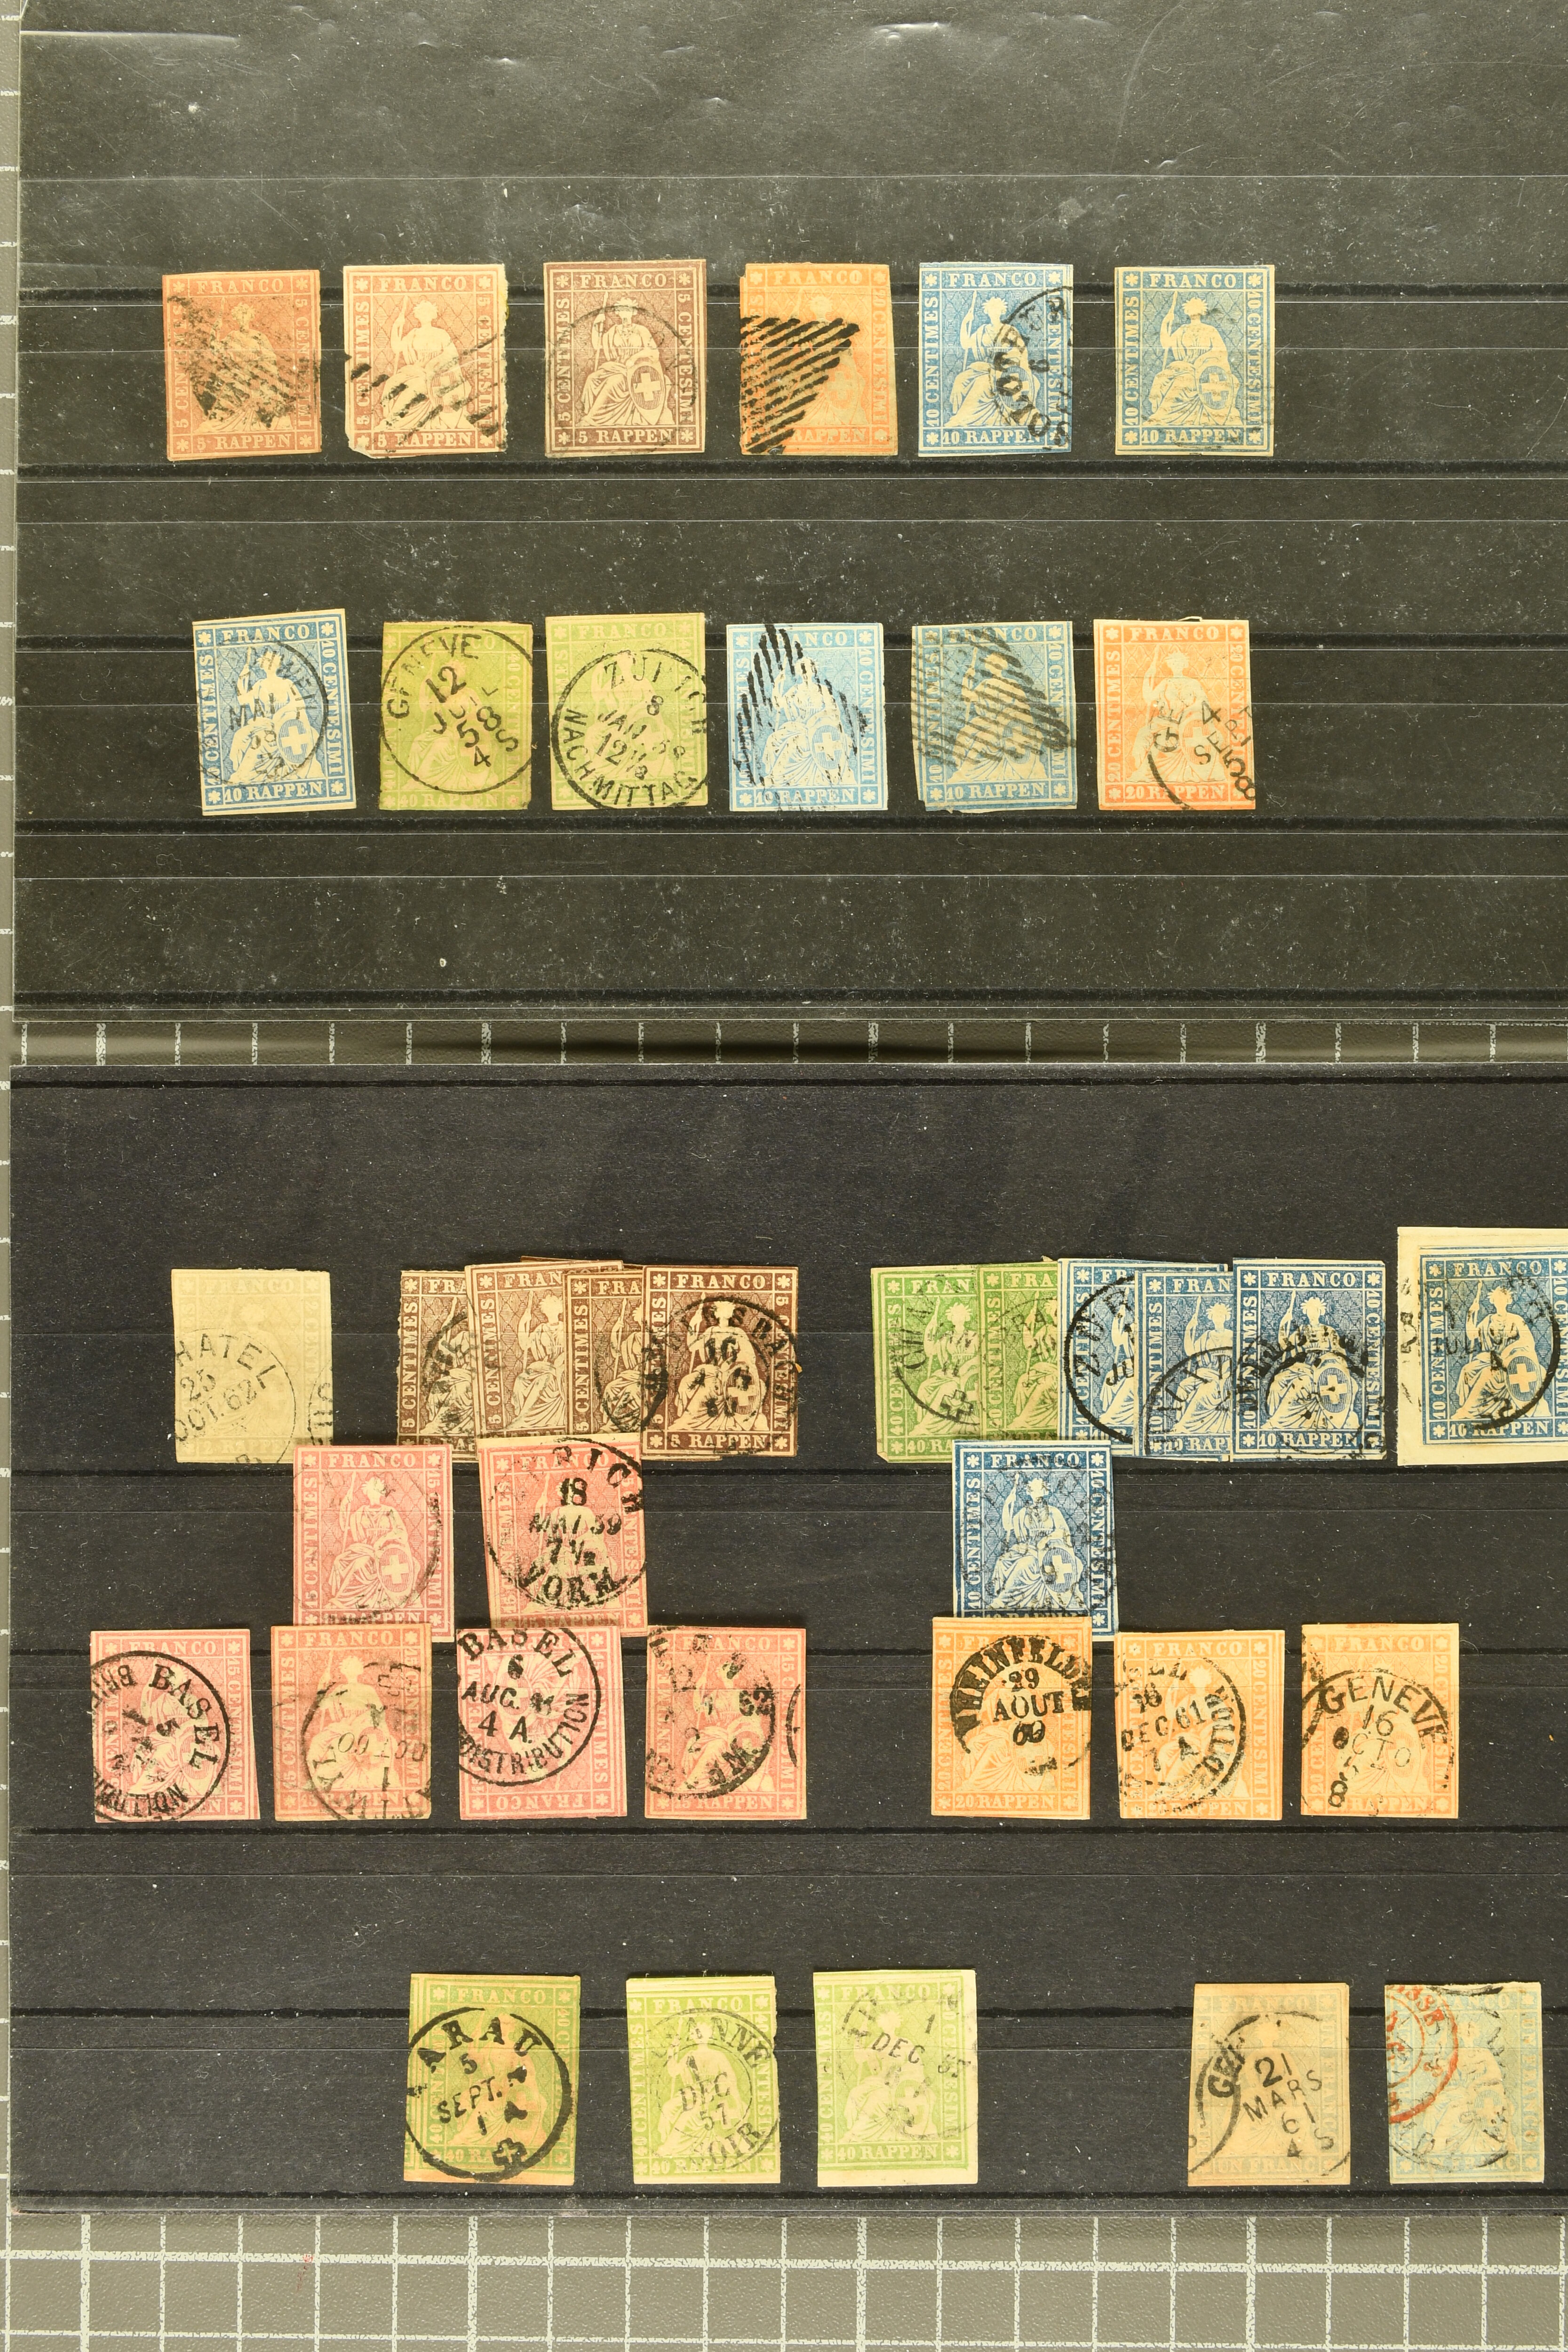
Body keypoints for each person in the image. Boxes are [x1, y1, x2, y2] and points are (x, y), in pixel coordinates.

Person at [947, 643, 1048, 786]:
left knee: (978, 741)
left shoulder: (1009, 684)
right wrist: (966, 680)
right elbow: (969, 698)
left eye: (996, 664)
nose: (994, 667)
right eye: (992, 664)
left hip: (1008, 726)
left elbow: (1023, 708)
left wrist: (1007, 717)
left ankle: (966, 773)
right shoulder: (986, 684)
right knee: (964, 735)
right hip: (987, 722)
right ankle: (964, 772)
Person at [758, 666, 862, 800]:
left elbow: (834, 711)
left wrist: (817, 718)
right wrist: (777, 684)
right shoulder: (795, 690)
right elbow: (779, 705)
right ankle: (778, 778)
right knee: (773, 740)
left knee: (794, 742)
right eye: (802, 672)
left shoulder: (822, 690)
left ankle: (774, 779)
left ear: (813, 671)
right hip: (799, 727)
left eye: (807, 671)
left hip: (819, 730)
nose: (805, 675)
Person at [1262, 1295, 1361, 1434]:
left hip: (1326, 1370)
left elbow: (1341, 1356)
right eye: (1310, 1311)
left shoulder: (1330, 1332)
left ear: (1320, 1312)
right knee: (1277, 1382)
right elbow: (1285, 1347)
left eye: (1315, 1311)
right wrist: (1284, 1323)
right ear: (1306, 1312)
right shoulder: (1300, 1332)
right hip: (1303, 1368)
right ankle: (1274, 1418)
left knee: (1351, 1384)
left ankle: (1340, 1419)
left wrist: (1324, 1359)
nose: (1312, 1314)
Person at [226, 645, 324, 783]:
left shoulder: (287, 684)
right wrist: (243, 676)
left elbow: (299, 704)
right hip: (264, 725)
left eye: (272, 661)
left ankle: (249, 774)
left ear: (278, 664)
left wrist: (284, 714)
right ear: (262, 664)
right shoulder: (259, 685)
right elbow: (243, 700)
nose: (270, 664)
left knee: (262, 740)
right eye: (267, 661)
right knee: (239, 736)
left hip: (286, 726)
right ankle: (243, 774)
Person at [324, 1476, 420, 1615]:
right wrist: (344, 1506)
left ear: (381, 1494)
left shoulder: (390, 1511)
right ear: (367, 1494)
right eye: (371, 1492)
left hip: (385, 1553)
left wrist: (384, 1539)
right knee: (339, 1561)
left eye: (377, 1492)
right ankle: (349, 1601)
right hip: (366, 1550)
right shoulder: (360, 1513)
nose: (374, 1496)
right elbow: (346, 1528)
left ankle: (341, 1601)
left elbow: (401, 1533)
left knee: (360, 1565)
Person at [988, 1474, 1085, 1610]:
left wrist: (1047, 1539)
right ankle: (1004, 1599)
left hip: (1052, 1553)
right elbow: (1008, 1526)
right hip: (1032, 1551)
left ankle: (1003, 1601)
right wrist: (1007, 1504)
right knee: (1015, 1563)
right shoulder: (1023, 1513)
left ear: (1045, 1491)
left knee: (1027, 1565)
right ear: (1029, 1492)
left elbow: (1064, 1533)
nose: (1037, 1494)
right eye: (1033, 1490)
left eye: (1040, 1490)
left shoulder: (1054, 1512)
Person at [1453, 1281, 1544, 1424]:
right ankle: (1469, 1409)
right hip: (1491, 1359)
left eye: (1503, 1299)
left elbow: (1528, 1341)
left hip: (1510, 1363)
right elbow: (1472, 1335)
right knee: (1466, 1370)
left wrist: (1509, 1349)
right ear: (1493, 1301)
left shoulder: (1516, 1320)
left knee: (1487, 1374)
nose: (1500, 1302)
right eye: (1497, 1300)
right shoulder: (1488, 1321)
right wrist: (1470, 1314)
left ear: (1509, 1301)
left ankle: (1467, 1411)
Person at [1146, 293, 1239, 428]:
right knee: (1160, 379)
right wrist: (1165, 322)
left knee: (1182, 381)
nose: (1194, 311)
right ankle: (1161, 414)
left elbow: (1221, 352)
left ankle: (1160, 416)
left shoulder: (1210, 330)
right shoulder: (1182, 330)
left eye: (1196, 308)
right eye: (1191, 308)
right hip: (1184, 368)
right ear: (1187, 311)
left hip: (1203, 372)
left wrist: (1203, 360)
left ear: (1202, 311)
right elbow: (1166, 344)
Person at [947, 294, 1037, 429]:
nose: (994, 312)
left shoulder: (1010, 331)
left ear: (1002, 312)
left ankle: (962, 418)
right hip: (983, 368)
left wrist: (1021, 371)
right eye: (991, 309)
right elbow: (966, 345)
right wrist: (965, 323)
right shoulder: (982, 331)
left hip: (1004, 371)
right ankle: (956, 413)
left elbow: (1021, 353)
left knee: (982, 383)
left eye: (997, 310)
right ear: (987, 312)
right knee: (960, 380)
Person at [581, 298, 672, 429]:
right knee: (592, 379)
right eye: (621, 309)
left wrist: (635, 358)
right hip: (617, 367)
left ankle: (592, 419)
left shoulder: (641, 330)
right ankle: (589, 412)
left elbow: (654, 352)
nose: (625, 312)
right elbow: (598, 346)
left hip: (635, 370)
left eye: (628, 309)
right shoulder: (614, 331)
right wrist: (596, 325)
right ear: (618, 313)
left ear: (634, 312)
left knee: (613, 382)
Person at [383, 298, 470, 431]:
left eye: (427, 312)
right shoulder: (413, 334)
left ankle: (391, 421)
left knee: (413, 387)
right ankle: (390, 418)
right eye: (421, 313)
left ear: (433, 315)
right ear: (417, 316)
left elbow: (452, 354)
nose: (424, 315)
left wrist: (433, 364)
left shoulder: (441, 334)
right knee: (391, 383)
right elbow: (397, 348)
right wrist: (396, 327)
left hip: (436, 374)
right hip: (416, 371)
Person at [509, 1295, 567, 1434]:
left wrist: (562, 1359)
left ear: (559, 1309)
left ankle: (523, 1418)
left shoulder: (566, 1328)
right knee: (521, 1380)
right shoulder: (541, 1329)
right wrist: (523, 1322)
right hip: (544, 1367)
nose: (550, 1311)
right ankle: (522, 1415)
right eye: (548, 1309)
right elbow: (525, 1345)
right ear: (544, 1312)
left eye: (553, 1308)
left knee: (544, 1380)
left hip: (561, 1371)